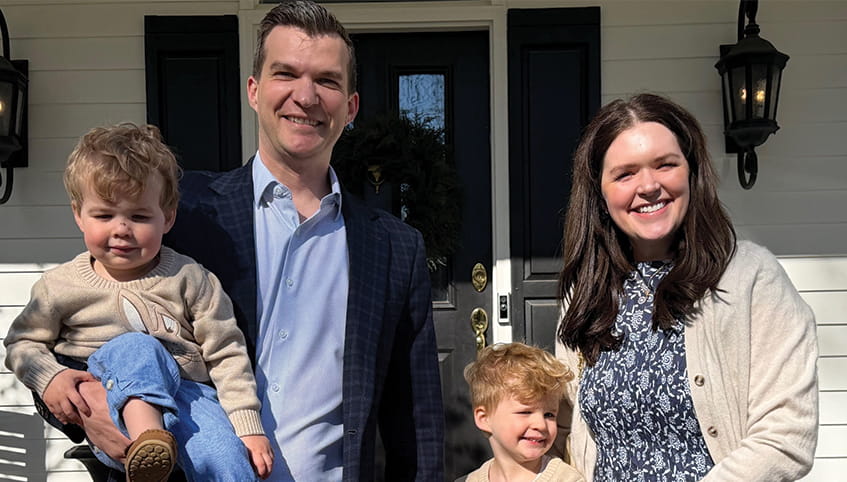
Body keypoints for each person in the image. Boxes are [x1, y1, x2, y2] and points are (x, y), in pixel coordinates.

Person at [75, 1, 444, 480]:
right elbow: (79, 314)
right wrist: (83, 405)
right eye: (285, 73)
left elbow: (415, 419)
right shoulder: (182, 212)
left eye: (327, 81)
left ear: (350, 107)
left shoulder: (394, 248)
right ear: (254, 90)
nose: (305, 96)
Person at [553, 93, 819, 481]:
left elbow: (786, 436)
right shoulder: (586, 291)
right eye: (625, 174)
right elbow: (560, 427)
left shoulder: (750, 278)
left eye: (665, 164)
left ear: (692, 172)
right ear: (600, 192)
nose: (648, 186)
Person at [4, 123, 273, 481]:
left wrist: (247, 426)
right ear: (78, 214)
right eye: (104, 215)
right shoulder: (59, 286)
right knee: (137, 347)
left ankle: (163, 452)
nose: (121, 229)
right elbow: (22, 343)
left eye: (139, 216)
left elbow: (226, 353)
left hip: (190, 399)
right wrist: (49, 378)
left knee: (228, 457)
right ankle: (149, 442)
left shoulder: (191, 278)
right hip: (110, 407)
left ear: (168, 217)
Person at [458, 343, 584, 482]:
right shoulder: (471, 480)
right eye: (526, 412)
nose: (541, 425)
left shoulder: (566, 479)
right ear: (484, 418)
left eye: (549, 415)